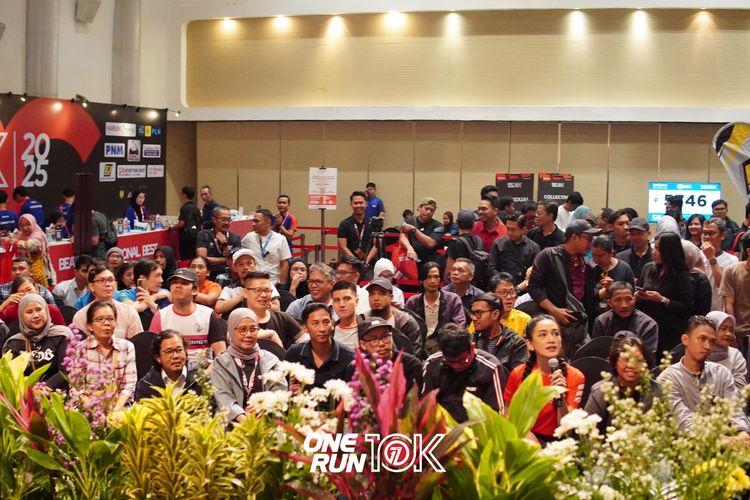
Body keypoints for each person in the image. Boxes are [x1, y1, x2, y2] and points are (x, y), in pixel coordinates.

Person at [657, 316, 750, 433]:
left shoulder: (722, 373)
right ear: (685, 339)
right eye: (702, 339)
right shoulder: (668, 379)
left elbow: (735, 410)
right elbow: (683, 421)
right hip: (687, 441)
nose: (708, 346)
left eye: (712, 341)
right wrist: (720, 439)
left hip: (726, 440)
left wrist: (742, 432)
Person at [503, 315, 586, 445]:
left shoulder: (575, 376)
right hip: (526, 439)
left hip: (561, 443)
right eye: (543, 335)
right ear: (530, 344)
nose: (551, 340)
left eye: (556, 334)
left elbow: (566, 430)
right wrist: (527, 437)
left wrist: (561, 396)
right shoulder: (518, 374)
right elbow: (508, 415)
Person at [527, 220, 600, 352]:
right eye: (588, 239)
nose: (590, 244)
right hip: (550, 324)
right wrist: (554, 310)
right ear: (574, 237)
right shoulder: (548, 256)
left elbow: (587, 299)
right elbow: (533, 287)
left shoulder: (587, 266)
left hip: (578, 327)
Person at [212, 308, 288, 423]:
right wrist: (242, 418)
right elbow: (223, 397)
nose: (248, 335)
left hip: (267, 422)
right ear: (232, 331)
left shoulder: (270, 360)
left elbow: (280, 392)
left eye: (253, 329)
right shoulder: (221, 363)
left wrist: (265, 409)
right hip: (232, 426)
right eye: (242, 330)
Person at [422, 323, 505, 423]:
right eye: (450, 362)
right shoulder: (432, 363)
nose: (456, 366)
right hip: (442, 426)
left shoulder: (491, 368)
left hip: (476, 427)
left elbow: (497, 415)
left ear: (472, 348)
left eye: (462, 361)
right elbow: (425, 406)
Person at [584, 332, 661, 435]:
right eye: (626, 359)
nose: (631, 365)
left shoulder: (658, 392)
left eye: (638, 360)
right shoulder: (600, 391)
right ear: (615, 362)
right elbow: (587, 433)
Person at [149, 269, 227, 367]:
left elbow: (221, 355)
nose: (178, 285)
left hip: (204, 372)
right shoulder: (160, 316)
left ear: (195, 290)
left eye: (184, 283)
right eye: (175, 282)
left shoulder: (208, 315)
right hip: (170, 373)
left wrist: (206, 374)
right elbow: (154, 354)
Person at [637, 232, 695, 355]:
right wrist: (638, 296)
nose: (653, 252)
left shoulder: (682, 275)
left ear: (669, 251)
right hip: (647, 327)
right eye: (654, 248)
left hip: (670, 332)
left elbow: (687, 307)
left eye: (658, 249)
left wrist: (662, 300)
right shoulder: (648, 268)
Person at [2, 294, 73, 389]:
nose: (35, 315)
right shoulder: (14, 343)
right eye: (29, 312)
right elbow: (9, 378)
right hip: (25, 395)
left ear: (46, 310)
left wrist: (40, 390)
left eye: (39, 309)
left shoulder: (62, 335)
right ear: (21, 316)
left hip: (59, 393)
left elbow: (65, 371)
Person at [284, 303, 355, 390]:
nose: (322, 329)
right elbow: (284, 386)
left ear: (332, 324)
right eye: (315, 323)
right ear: (305, 328)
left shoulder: (349, 357)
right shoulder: (294, 353)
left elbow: (352, 394)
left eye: (326, 322)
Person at [83, 300, 137, 409]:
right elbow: (76, 389)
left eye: (111, 319)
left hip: (119, 406)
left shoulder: (127, 347)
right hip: (89, 408)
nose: (107, 323)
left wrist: (116, 410)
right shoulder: (80, 349)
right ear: (90, 326)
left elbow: (129, 386)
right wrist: (94, 411)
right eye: (100, 319)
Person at [406, 262, 466, 353]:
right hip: (419, 344)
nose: (433, 281)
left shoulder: (453, 299)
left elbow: (459, 325)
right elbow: (408, 327)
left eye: (436, 277)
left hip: (446, 344)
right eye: (428, 277)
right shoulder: (413, 302)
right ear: (421, 280)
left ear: (440, 279)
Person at [73, 265, 144, 339]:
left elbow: (137, 342)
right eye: (102, 280)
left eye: (110, 280)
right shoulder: (81, 316)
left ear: (115, 284)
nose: (107, 284)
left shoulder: (129, 312)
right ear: (91, 286)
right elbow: (80, 344)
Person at [354, 317, 423, 391]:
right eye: (374, 340)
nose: (381, 344)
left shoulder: (411, 365)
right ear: (363, 344)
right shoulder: (357, 367)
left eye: (385, 337)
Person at [591, 282, 659, 356]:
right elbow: (597, 353)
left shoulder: (648, 324)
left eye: (629, 299)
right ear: (609, 303)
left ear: (634, 300)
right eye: (618, 300)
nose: (624, 305)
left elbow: (648, 357)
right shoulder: (601, 322)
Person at [134, 330, 205, 401]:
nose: (175, 356)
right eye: (169, 352)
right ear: (158, 358)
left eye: (179, 350)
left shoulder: (201, 379)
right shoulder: (146, 385)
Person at [243, 271, 302, 349]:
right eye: (258, 290)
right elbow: (233, 339)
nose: (263, 295)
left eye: (267, 291)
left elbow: (306, 340)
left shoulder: (282, 318)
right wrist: (271, 334)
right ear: (245, 293)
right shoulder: (237, 319)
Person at [471, 293, 527, 373]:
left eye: (479, 313)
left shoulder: (516, 343)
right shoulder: (469, 340)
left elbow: (518, 375)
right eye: (473, 313)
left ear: (495, 314)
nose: (473, 318)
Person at [364, 277, 422, 356]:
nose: (376, 298)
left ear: (391, 297)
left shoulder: (406, 322)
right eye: (372, 294)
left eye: (382, 294)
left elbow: (415, 356)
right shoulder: (363, 320)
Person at [242, 208, 291, 285]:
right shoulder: (249, 237)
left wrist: (282, 284)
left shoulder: (280, 239)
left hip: (273, 282)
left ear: (268, 222)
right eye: (253, 221)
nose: (253, 224)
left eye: (257, 221)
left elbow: (284, 264)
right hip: (253, 282)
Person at [489, 213, 540, 286]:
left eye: (513, 230)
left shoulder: (534, 248)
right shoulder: (498, 243)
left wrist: (518, 288)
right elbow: (492, 267)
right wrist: (503, 283)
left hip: (522, 287)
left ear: (523, 229)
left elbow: (533, 273)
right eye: (508, 229)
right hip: (500, 285)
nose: (509, 233)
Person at [590, 235, 635, 317]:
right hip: (595, 316)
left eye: (600, 256)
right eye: (593, 255)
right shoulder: (590, 268)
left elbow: (631, 295)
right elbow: (587, 297)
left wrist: (614, 288)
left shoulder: (624, 268)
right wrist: (606, 290)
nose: (596, 260)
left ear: (611, 253)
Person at [119, 260, 171, 328]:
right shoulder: (125, 294)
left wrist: (153, 306)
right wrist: (155, 297)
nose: (161, 280)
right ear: (143, 278)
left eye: (161, 275)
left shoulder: (164, 293)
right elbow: (132, 310)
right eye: (157, 276)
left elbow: (167, 322)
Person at [196, 205, 242, 280]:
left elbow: (235, 260)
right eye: (223, 219)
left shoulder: (235, 237)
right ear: (214, 219)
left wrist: (225, 244)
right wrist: (225, 260)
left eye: (229, 220)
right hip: (208, 275)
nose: (227, 222)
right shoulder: (204, 235)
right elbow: (202, 259)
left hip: (229, 276)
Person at [706, 311, 746, 391]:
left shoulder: (735, 355)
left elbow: (739, 388)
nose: (728, 334)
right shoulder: (698, 352)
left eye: (731, 330)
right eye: (723, 329)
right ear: (710, 329)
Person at [719, 244, 750, 348]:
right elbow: (728, 304)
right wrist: (731, 332)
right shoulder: (732, 270)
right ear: (748, 251)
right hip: (739, 331)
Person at [0, 276, 66, 325]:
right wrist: (5, 304)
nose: (27, 294)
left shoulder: (52, 309)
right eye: (21, 292)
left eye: (29, 290)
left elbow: (64, 333)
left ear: (36, 288)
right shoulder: (11, 311)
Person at [400, 197, 443, 265]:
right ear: (420, 208)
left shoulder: (439, 226)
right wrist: (409, 248)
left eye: (432, 210)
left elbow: (431, 244)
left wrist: (415, 230)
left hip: (429, 262)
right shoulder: (408, 222)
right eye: (426, 209)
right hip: (411, 260)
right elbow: (402, 236)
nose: (428, 212)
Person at [337, 191, 375, 265]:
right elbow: (342, 246)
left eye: (361, 203)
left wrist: (366, 261)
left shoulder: (373, 223)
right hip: (349, 263)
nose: (358, 205)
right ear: (351, 204)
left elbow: (376, 246)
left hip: (369, 262)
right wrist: (356, 262)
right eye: (355, 203)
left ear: (366, 204)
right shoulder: (344, 224)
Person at [16, 214, 54, 287]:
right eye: (22, 225)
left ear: (33, 223)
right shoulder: (20, 235)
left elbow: (30, 246)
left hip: (39, 272)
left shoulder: (38, 235)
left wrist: (15, 242)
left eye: (28, 224)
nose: (25, 228)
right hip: (24, 272)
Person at [701, 217, 738, 290]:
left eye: (712, 233)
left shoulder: (732, 260)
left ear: (723, 235)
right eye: (705, 233)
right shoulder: (696, 255)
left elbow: (724, 287)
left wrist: (711, 257)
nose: (707, 237)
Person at [615, 217, 653, 284]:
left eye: (640, 233)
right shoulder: (621, 257)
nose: (636, 237)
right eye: (632, 234)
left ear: (649, 233)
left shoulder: (656, 257)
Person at [445, 208, 481, 278]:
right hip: (475, 279)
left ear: (457, 223)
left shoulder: (454, 242)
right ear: (473, 224)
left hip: (460, 280)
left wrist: (445, 282)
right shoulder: (479, 239)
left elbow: (450, 267)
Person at [169, 186, 202, 260]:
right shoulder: (196, 208)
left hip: (186, 237)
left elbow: (181, 223)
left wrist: (171, 227)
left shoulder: (184, 207)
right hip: (196, 236)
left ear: (184, 195)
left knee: (185, 257)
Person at [331, 280, 361, 350]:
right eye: (337, 300)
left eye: (347, 299)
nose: (341, 304)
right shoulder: (328, 332)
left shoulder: (369, 328)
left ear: (356, 301)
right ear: (332, 304)